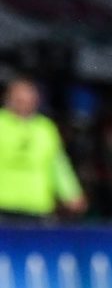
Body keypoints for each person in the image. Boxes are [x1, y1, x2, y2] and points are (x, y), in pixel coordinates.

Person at [0, 77, 87, 222]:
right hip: (3, 204)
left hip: (37, 205)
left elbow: (58, 164)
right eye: (19, 99)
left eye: (28, 99)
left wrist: (71, 193)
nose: (24, 103)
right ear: (8, 98)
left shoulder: (46, 128)